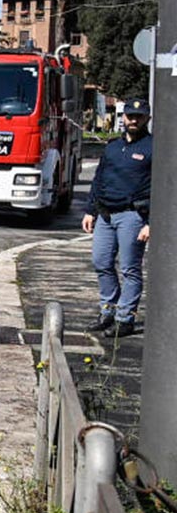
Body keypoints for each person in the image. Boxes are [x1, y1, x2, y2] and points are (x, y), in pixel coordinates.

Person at [82, 97, 153, 338]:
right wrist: (90, 211)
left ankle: (125, 319)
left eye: (139, 116)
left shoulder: (153, 148)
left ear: (147, 119)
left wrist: (151, 223)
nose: (134, 120)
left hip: (132, 215)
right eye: (130, 116)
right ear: (123, 117)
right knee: (101, 262)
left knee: (130, 268)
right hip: (105, 214)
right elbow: (99, 179)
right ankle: (108, 311)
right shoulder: (112, 147)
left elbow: (163, 187)